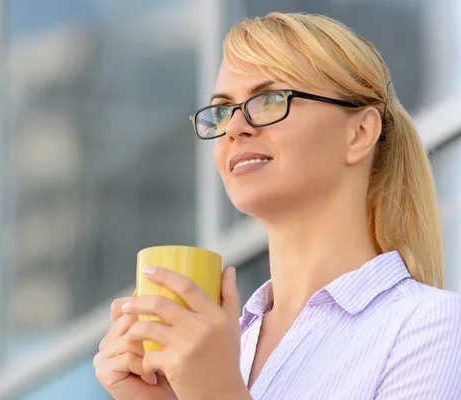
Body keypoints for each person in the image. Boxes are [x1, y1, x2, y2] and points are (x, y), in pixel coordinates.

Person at [93, 12, 461, 399]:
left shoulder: (430, 326)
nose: (235, 128)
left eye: (269, 100)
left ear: (360, 133)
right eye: (222, 110)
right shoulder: (218, 350)